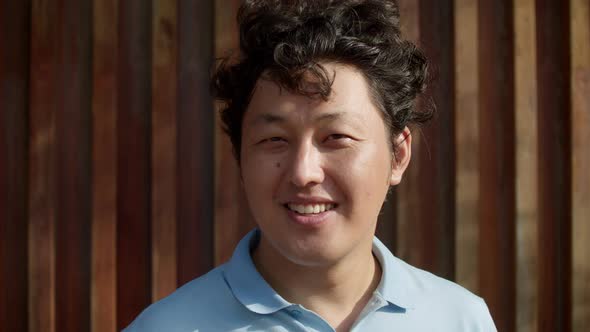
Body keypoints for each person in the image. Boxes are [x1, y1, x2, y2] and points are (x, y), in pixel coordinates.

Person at [124, 0, 497, 331]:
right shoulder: (166, 326)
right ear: (240, 160)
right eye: (274, 140)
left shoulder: (459, 319)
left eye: (337, 137)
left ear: (398, 155)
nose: (303, 172)